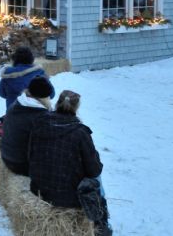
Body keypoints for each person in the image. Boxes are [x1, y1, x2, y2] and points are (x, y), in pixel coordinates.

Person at [28, 90, 112, 236]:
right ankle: (101, 224)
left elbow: (30, 154)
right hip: (70, 197)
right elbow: (94, 170)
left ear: (57, 103)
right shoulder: (80, 132)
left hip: (39, 189)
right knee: (97, 181)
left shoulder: (39, 122)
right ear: (76, 107)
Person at [0, 77, 54, 176]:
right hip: (22, 165)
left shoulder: (17, 104)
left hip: (7, 157)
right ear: (44, 98)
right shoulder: (41, 117)